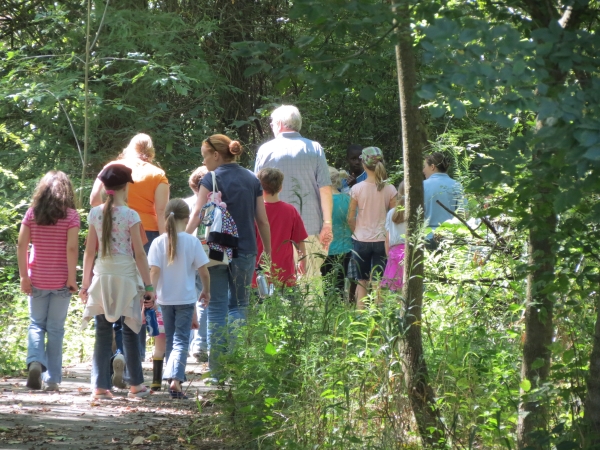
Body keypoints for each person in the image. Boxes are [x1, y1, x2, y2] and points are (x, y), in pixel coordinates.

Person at [187, 134, 271, 383]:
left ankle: (217, 371)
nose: (203, 161)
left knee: (216, 306)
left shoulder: (211, 179)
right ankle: (236, 368)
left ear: (216, 155)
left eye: (205, 155)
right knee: (240, 306)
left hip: (216, 252)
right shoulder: (251, 178)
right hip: (245, 249)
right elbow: (262, 219)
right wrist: (267, 250)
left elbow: (196, 215)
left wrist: (179, 240)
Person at [89, 133, 169, 380]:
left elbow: (93, 201)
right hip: (147, 237)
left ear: (128, 149)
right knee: (139, 300)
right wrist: (166, 247)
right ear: (150, 151)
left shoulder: (111, 169)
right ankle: (132, 362)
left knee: (111, 295)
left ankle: (113, 357)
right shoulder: (157, 175)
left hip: (109, 238)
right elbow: (161, 211)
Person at [80, 164, 154, 399]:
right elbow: (139, 254)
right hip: (126, 277)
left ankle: (100, 387)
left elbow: (89, 252)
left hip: (102, 276)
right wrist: (149, 285)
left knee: (102, 331)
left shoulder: (95, 213)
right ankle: (136, 385)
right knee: (131, 329)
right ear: (126, 188)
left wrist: (84, 284)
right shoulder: (131, 215)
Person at [17, 171, 80, 391]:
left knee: (36, 324)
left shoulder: (32, 214)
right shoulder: (71, 216)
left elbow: (22, 246)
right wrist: (72, 278)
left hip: (37, 279)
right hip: (61, 280)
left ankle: (35, 362)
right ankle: (52, 379)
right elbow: (71, 248)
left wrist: (24, 276)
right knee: (55, 329)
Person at [254, 105, 333, 280]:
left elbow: (256, 190)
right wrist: (327, 223)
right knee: (310, 281)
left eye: (273, 123)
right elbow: (325, 188)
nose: (272, 126)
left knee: (274, 280)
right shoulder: (314, 148)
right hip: (311, 227)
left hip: (273, 229)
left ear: (281, 124)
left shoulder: (265, 150)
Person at [148, 199, 210, 399]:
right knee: (181, 340)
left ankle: (172, 382)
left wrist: (152, 293)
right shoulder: (192, 241)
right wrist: (206, 291)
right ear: (187, 218)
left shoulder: (158, 242)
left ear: (166, 217)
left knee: (170, 342)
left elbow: (155, 271)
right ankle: (175, 380)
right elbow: (204, 272)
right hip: (185, 299)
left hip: (165, 299)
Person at [347, 147, 397, 308]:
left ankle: (360, 317)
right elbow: (395, 216)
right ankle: (377, 316)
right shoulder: (390, 188)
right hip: (382, 240)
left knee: (361, 281)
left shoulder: (356, 189)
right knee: (378, 281)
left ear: (364, 164)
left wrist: (356, 231)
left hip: (360, 240)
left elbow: (350, 217)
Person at [255, 168, 308, 289]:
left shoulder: (254, 211)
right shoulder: (290, 211)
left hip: (258, 274)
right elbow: (300, 242)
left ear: (259, 187)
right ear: (280, 188)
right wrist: (302, 264)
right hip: (285, 276)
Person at [185, 166, 210, 363]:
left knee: (185, 299)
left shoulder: (184, 204)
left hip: (185, 256)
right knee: (204, 300)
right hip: (206, 256)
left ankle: (182, 344)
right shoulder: (215, 205)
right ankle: (200, 344)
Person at [423, 152, 466, 250]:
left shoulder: (422, 186)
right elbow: (464, 214)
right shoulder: (457, 185)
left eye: (424, 166)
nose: (423, 170)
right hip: (451, 238)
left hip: (427, 237)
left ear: (432, 167)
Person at [320, 167, 353, 297]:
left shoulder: (321, 202)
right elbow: (352, 221)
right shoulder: (348, 199)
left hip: (325, 248)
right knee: (340, 285)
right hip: (345, 248)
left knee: (325, 286)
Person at [382, 182, 407, 292]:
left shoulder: (391, 212)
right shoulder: (416, 211)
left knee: (394, 290)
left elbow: (387, 239)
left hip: (394, 253)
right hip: (409, 251)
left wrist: (389, 256)